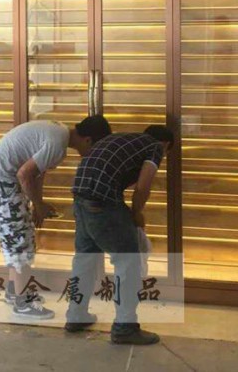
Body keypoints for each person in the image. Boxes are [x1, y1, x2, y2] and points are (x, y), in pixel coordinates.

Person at [0, 116, 112, 320]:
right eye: (94, 149)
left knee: (21, 236)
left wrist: (38, 204)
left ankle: (14, 291)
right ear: (88, 140)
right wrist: (38, 205)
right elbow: (24, 174)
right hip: (2, 184)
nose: (92, 154)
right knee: (19, 241)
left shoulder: (59, 135)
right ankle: (22, 303)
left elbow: (37, 173)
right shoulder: (57, 143)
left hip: (5, 183)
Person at [65, 124, 174, 345]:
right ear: (165, 145)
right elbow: (143, 186)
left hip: (80, 199)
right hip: (103, 203)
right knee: (128, 262)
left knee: (84, 259)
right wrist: (136, 213)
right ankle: (125, 327)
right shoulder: (154, 147)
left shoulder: (119, 140)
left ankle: (76, 316)